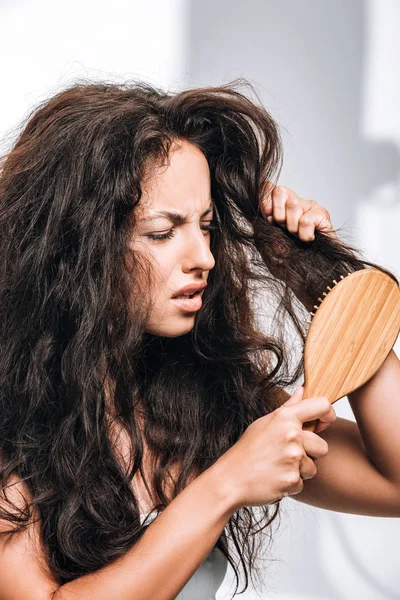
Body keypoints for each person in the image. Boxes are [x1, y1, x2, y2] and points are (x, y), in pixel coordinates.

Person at [0, 79, 399, 600]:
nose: (204, 258)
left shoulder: (208, 394)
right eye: (163, 233)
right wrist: (225, 484)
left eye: (206, 226)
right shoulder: (15, 420)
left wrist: (323, 281)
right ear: (77, 248)